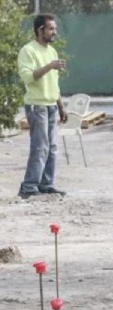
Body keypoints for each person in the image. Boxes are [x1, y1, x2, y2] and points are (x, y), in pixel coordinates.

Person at [17, 14, 68, 200]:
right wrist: (49, 66)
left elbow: (54, 83)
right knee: (40, 147)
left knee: (52, 147)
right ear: (40, 30)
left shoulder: (52, 51)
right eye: (51, 29)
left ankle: (46, 185)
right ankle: (29, 187)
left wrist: (61, 106)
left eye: (55, 28)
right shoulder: (28, 51)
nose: (55, 32)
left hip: (51, 106)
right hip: (36, 106)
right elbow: (29, 77)